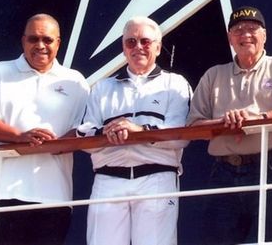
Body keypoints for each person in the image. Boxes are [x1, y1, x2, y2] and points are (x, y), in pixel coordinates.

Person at [188, 5, 272, 244]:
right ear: (229, 38)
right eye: (237, 29)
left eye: (252, 28)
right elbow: (194, 126)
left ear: (265, 35)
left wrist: (258, 118)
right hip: (224, 172)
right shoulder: (214, 75)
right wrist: (225, 122)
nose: (245, 34)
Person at [0, 13, 89, 245]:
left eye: (47, 40)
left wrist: (59, 144)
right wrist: (20, 137)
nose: (40, 45)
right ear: (23, 41)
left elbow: (85, 129)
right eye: (33, 39)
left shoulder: (76, 82)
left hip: (53, 196)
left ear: (58, 43)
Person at [77, 16, 191, 245]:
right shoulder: (102, 87)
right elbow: (85, 133)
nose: (138, 47)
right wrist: (107, 132)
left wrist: (138, 130)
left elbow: (180, 135)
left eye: (145, 42)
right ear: (123, 48)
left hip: (157, 179)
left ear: (158, 47)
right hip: (108, 179)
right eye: (131, 42)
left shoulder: (175, 84)